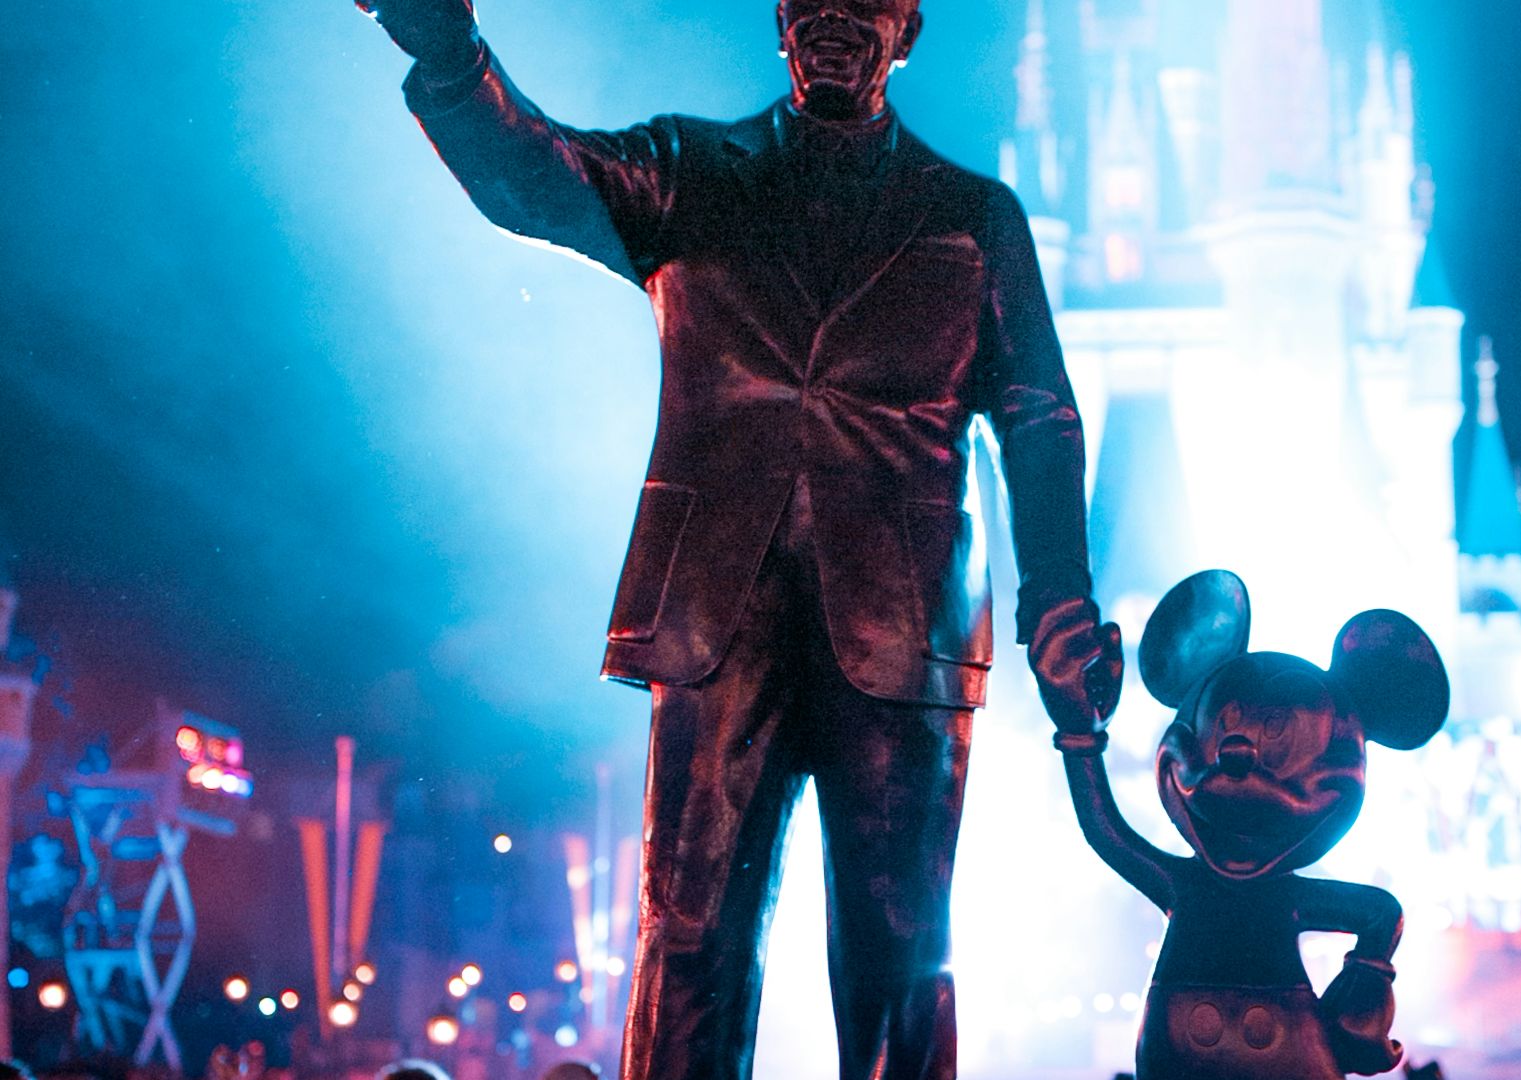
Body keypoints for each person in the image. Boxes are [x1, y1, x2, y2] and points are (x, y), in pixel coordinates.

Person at [349, 1, 1125, 1077]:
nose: (837, 18)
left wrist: (1061, 605)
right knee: (690, 933)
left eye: (870, 0)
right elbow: (534, 174)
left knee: (901, 955)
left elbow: (1041, 420)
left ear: (907, 30)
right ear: (780, 20)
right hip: (716, 617)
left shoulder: (971, 219)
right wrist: (449, 55)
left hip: (906, 635)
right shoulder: (689, 172)